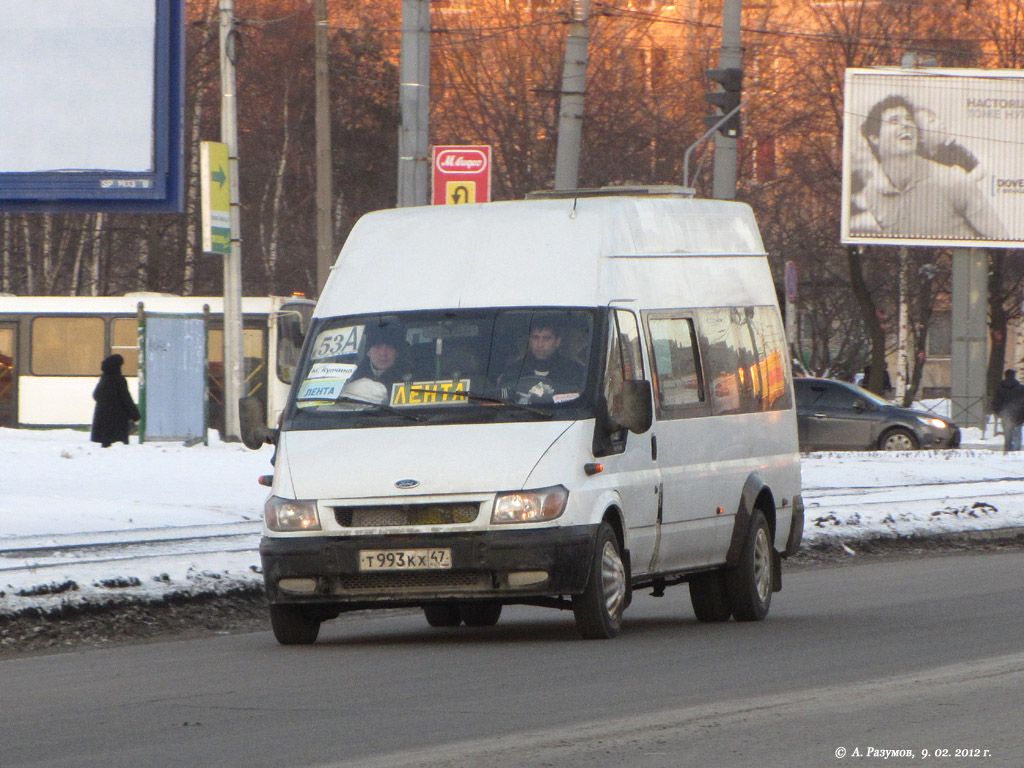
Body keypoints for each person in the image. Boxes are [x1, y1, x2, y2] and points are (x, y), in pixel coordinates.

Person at [850, 94, 1009, 240]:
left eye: (908, 119)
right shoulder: (872, 194)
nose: (906, 124)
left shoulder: (953, 180)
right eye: (894, 120)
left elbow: (1002, 240)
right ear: (875, 138)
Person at [498, 318, 585, 403]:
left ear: (557, 341)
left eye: (547, 338)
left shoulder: (574, 372)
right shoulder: (514, 371)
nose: (540, 344)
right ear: (529, 340)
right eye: (535, 337)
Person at [340, 324, 410, 403]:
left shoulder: (407, 379)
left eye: (389, 348)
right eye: (378, 347)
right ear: (368, 352)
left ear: (396, 353)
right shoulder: (351, 376)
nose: (383, 353)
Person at [90, 354, 140, 447]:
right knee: (119, 447)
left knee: (106, 446)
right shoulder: (119, 380)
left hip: (104, 420)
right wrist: (135, 415)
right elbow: (126, 399)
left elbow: (95, 395)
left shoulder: (104, 379)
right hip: (118, 420)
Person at [991, 369, 1024, 453]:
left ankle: (1007, 449)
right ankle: (1016, 451)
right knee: (1017, 434)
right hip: (1018, 415)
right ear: (1014, 376)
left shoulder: (1000, 389)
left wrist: (999, 413)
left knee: (1007, 434)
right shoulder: (1021, 388)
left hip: (1005, 415)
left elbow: (996, 402)